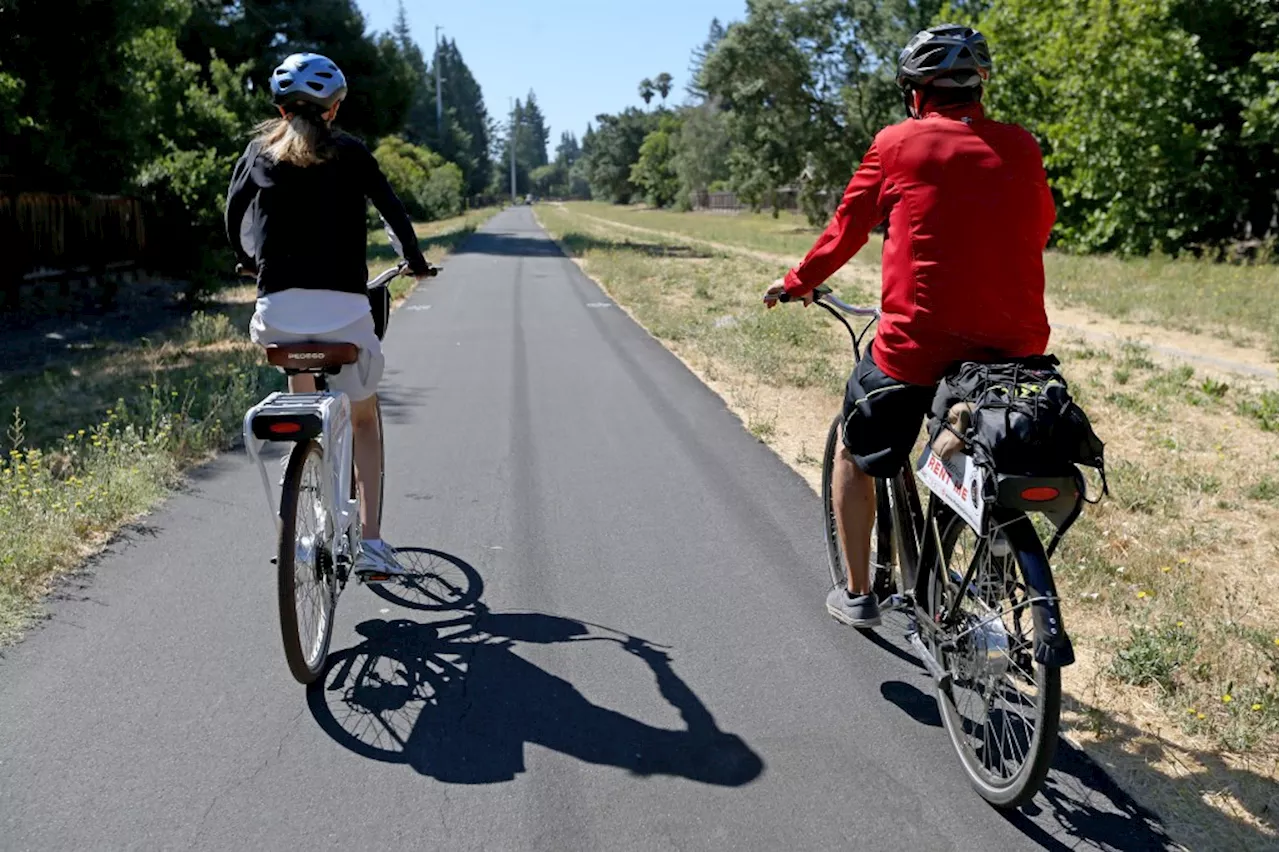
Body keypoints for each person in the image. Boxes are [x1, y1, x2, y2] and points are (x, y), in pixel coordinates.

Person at [763, 25, 1057, 627]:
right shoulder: (1023, 146)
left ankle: (856, 593)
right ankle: (988, 530)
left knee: (853, 446)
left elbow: (846, 229)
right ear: (978, 88)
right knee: (969, 424)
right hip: (1017, 344)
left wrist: (795, 281)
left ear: (917, 92)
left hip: (918, 345)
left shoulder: (898, 144)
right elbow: (1037, 225)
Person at [225, 52, 434, 581]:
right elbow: (393, 212)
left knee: (302, 392)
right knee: (363, 418)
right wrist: (414, 262)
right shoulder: (352, 153)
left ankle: (300, 505)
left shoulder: (258, 152)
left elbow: (234, 217)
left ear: (279, 107)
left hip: (277, 315)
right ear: (334, 109)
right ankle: (372, 543)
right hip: (344, 312)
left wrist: (249, 261)